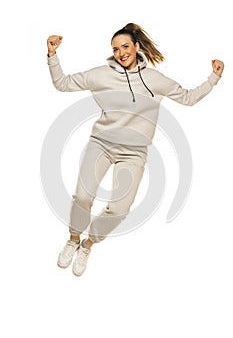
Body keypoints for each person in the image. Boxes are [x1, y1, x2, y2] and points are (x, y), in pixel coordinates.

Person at [47, 23, 224, 276]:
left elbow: (188, 97)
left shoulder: (154, 79)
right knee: (83, 197)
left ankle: (88, 244)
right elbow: (63, 83)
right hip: (101, 144)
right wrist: (53, 55)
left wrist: (213, 78)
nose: (121, 53)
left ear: (137, 47)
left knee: (119, 210)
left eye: (125, 46)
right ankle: (73, 238)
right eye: (115, 49)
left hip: (134, 153)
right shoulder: (101, 74)